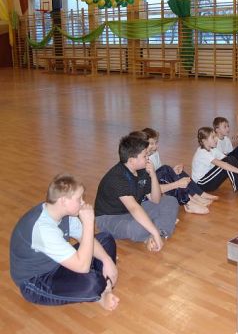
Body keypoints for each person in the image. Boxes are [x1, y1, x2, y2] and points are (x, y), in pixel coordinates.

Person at [10, 174, 119, 310]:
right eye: (79, 199)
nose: (83, 202)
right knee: (93, 283)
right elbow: (82, 267)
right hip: (35, 281)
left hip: (58, 263)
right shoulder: (43, 229)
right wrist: (88, 223)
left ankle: (104, 288)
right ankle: (100, 292)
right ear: (63, 201)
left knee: (105, 240)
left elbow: (84, 238)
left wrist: (107, 260)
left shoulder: (62, 213)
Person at [94, 134, 179, 252]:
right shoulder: (117, 177)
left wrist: (153, 175)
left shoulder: (142, 169)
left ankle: (159, 233)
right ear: (132, 160)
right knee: (138, 227)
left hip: (132, 210)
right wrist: (153, 230)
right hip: (110, 218)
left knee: (170, 201)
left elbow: (156, 200)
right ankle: (155, 230)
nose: (148, 158)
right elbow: (134, 208)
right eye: (145, 156)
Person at [142, 127, 217, 215]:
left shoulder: (155, 153)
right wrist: (175, 182)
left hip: (155, 183)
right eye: (151, 143)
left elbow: (159, 172)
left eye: (156, 143)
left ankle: (198, 195)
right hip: (151, 192)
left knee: (177, 171)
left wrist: (173, 171)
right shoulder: (142, 160)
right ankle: (188, 202)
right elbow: (152, 184)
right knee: (166, 169)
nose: (156, 146)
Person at [192, 127, 238, 197]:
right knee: (226, 163)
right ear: (204, 141)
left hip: (210, 180)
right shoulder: (202, 153)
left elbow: (228, 159)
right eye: (213, 137)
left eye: (215, 136)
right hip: (202, 184)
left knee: (230, 158)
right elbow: (222, 164)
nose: (216, 139)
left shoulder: (213, 149)